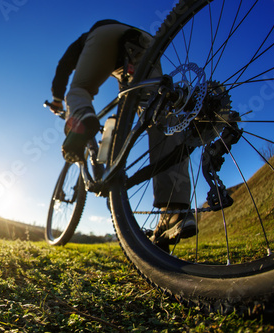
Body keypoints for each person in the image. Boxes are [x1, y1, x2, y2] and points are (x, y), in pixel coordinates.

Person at [48, 19, 197, 251]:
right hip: (145, 40)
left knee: (79, 91)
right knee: (157, 112)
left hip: (105, 36)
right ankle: (175, 210)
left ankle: (84, 120)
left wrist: (57, 99)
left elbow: (64, 65)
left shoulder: (87, 36)